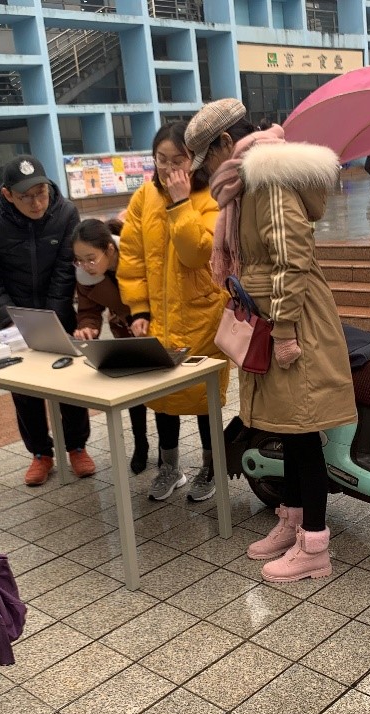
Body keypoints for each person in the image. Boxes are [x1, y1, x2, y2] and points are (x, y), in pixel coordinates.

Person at [186, 98, 355, 582]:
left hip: (293, 324)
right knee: (288, 429)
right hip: (273, 317)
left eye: (206, 159)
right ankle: (293, 521)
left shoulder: (268, 177)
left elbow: (292, 257)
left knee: (303, 434)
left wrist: (283, 331)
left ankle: (314, 547)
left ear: (225, 142)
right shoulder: (245, 184)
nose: (206, 172)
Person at [117, 121, 229, 502]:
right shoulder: (144, 197)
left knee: (203, 398)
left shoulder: (211, 195)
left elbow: (197, 252)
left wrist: (181, 203)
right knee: (163, 398)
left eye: (177, 159)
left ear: (194, 158)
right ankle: (170, 467)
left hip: (202, 315)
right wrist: (138, 310)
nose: (168, 168)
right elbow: (132, 257)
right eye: (161, 159)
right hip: (159, 318)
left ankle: (211, 467)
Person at [0, 154, 94, 485]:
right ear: (8, 194)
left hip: (59, 312)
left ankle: (77, 446)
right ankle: (40, 453)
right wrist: (11, 316)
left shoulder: (65, 213)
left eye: (42, 193)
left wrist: (52, 314)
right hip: (12, 318)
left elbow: (67, 266)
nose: (37, 203)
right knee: (24, 390)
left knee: (71, 382)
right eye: (27, 197)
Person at [71, 217, 150, 473]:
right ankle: (140, 444)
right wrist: (88, 327)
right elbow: (89, 310)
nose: (85, 266)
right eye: (79, 260)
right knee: (133, 390)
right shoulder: (85, 275)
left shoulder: (136, 257)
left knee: (164, 395)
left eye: (90, 259)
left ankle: (167, 452)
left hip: (152, 326)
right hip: (124, 332)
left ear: (109, 249)